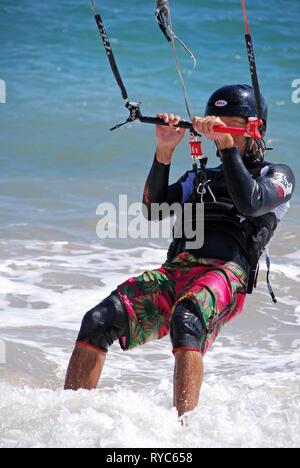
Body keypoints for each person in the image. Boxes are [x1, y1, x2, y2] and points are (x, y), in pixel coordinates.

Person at [65, 84, 295, 417]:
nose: (220, 134)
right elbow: (153, 209)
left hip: (228, 273)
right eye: (217, 124)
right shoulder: (199, 176)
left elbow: (251, 200)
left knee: (186, 318)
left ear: (254, 129)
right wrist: (165, 151)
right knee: (98, 320)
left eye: (228, 125)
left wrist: (229, 148)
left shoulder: (276, 176)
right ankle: (68, 421)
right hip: (179, 270)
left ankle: (185, 433)